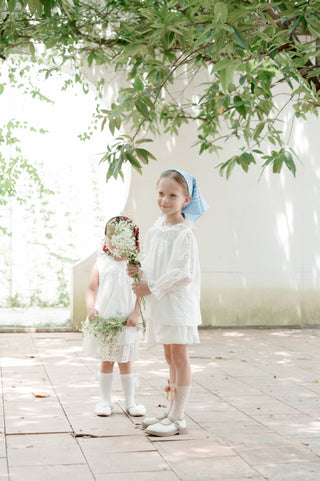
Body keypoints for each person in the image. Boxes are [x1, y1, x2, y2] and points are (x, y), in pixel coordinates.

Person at [128, 169, 208, 436]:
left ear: (186, 199)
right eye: (161, 193)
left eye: (172, 195)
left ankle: (178, 418)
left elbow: (182, 274)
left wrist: (150, 286)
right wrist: (138, 271)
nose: (165, 199)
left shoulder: (184, 233)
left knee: (180, 357)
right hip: (161, 302)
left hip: (176, 303)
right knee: (169, 356)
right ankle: (170, 410)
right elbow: (152, 263)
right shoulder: (157, 227)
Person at [83, 216, 146, 417]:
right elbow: (91, 289)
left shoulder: (134, 265)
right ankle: (104, 401)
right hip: (106, 320)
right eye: (109, 235)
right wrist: (91, 308)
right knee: (107, 360)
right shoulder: (101, 262)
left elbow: (141, 292)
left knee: (126, 362)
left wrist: (136, 313)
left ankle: (130, 402)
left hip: (126, 321)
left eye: (118, 235)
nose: (112, 239)